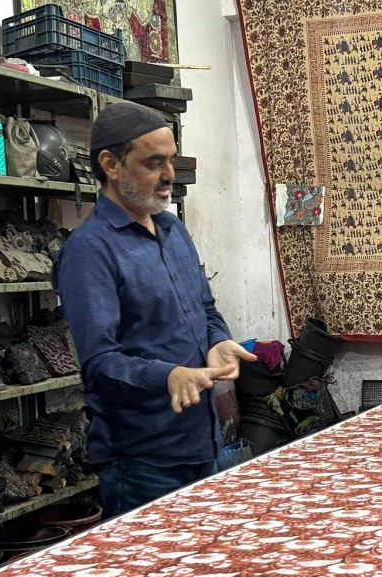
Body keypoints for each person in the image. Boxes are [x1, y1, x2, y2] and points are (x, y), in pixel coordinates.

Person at [55, 103, 255, 517]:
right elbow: (99, 362)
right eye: (154, 163)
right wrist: (168, 375)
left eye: (172, 161)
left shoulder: (172, 230)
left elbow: (205, 308)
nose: (169, 176)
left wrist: (217, 341)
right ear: (110, 164)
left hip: (203, 443)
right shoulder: (90, 250)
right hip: (143, 462)